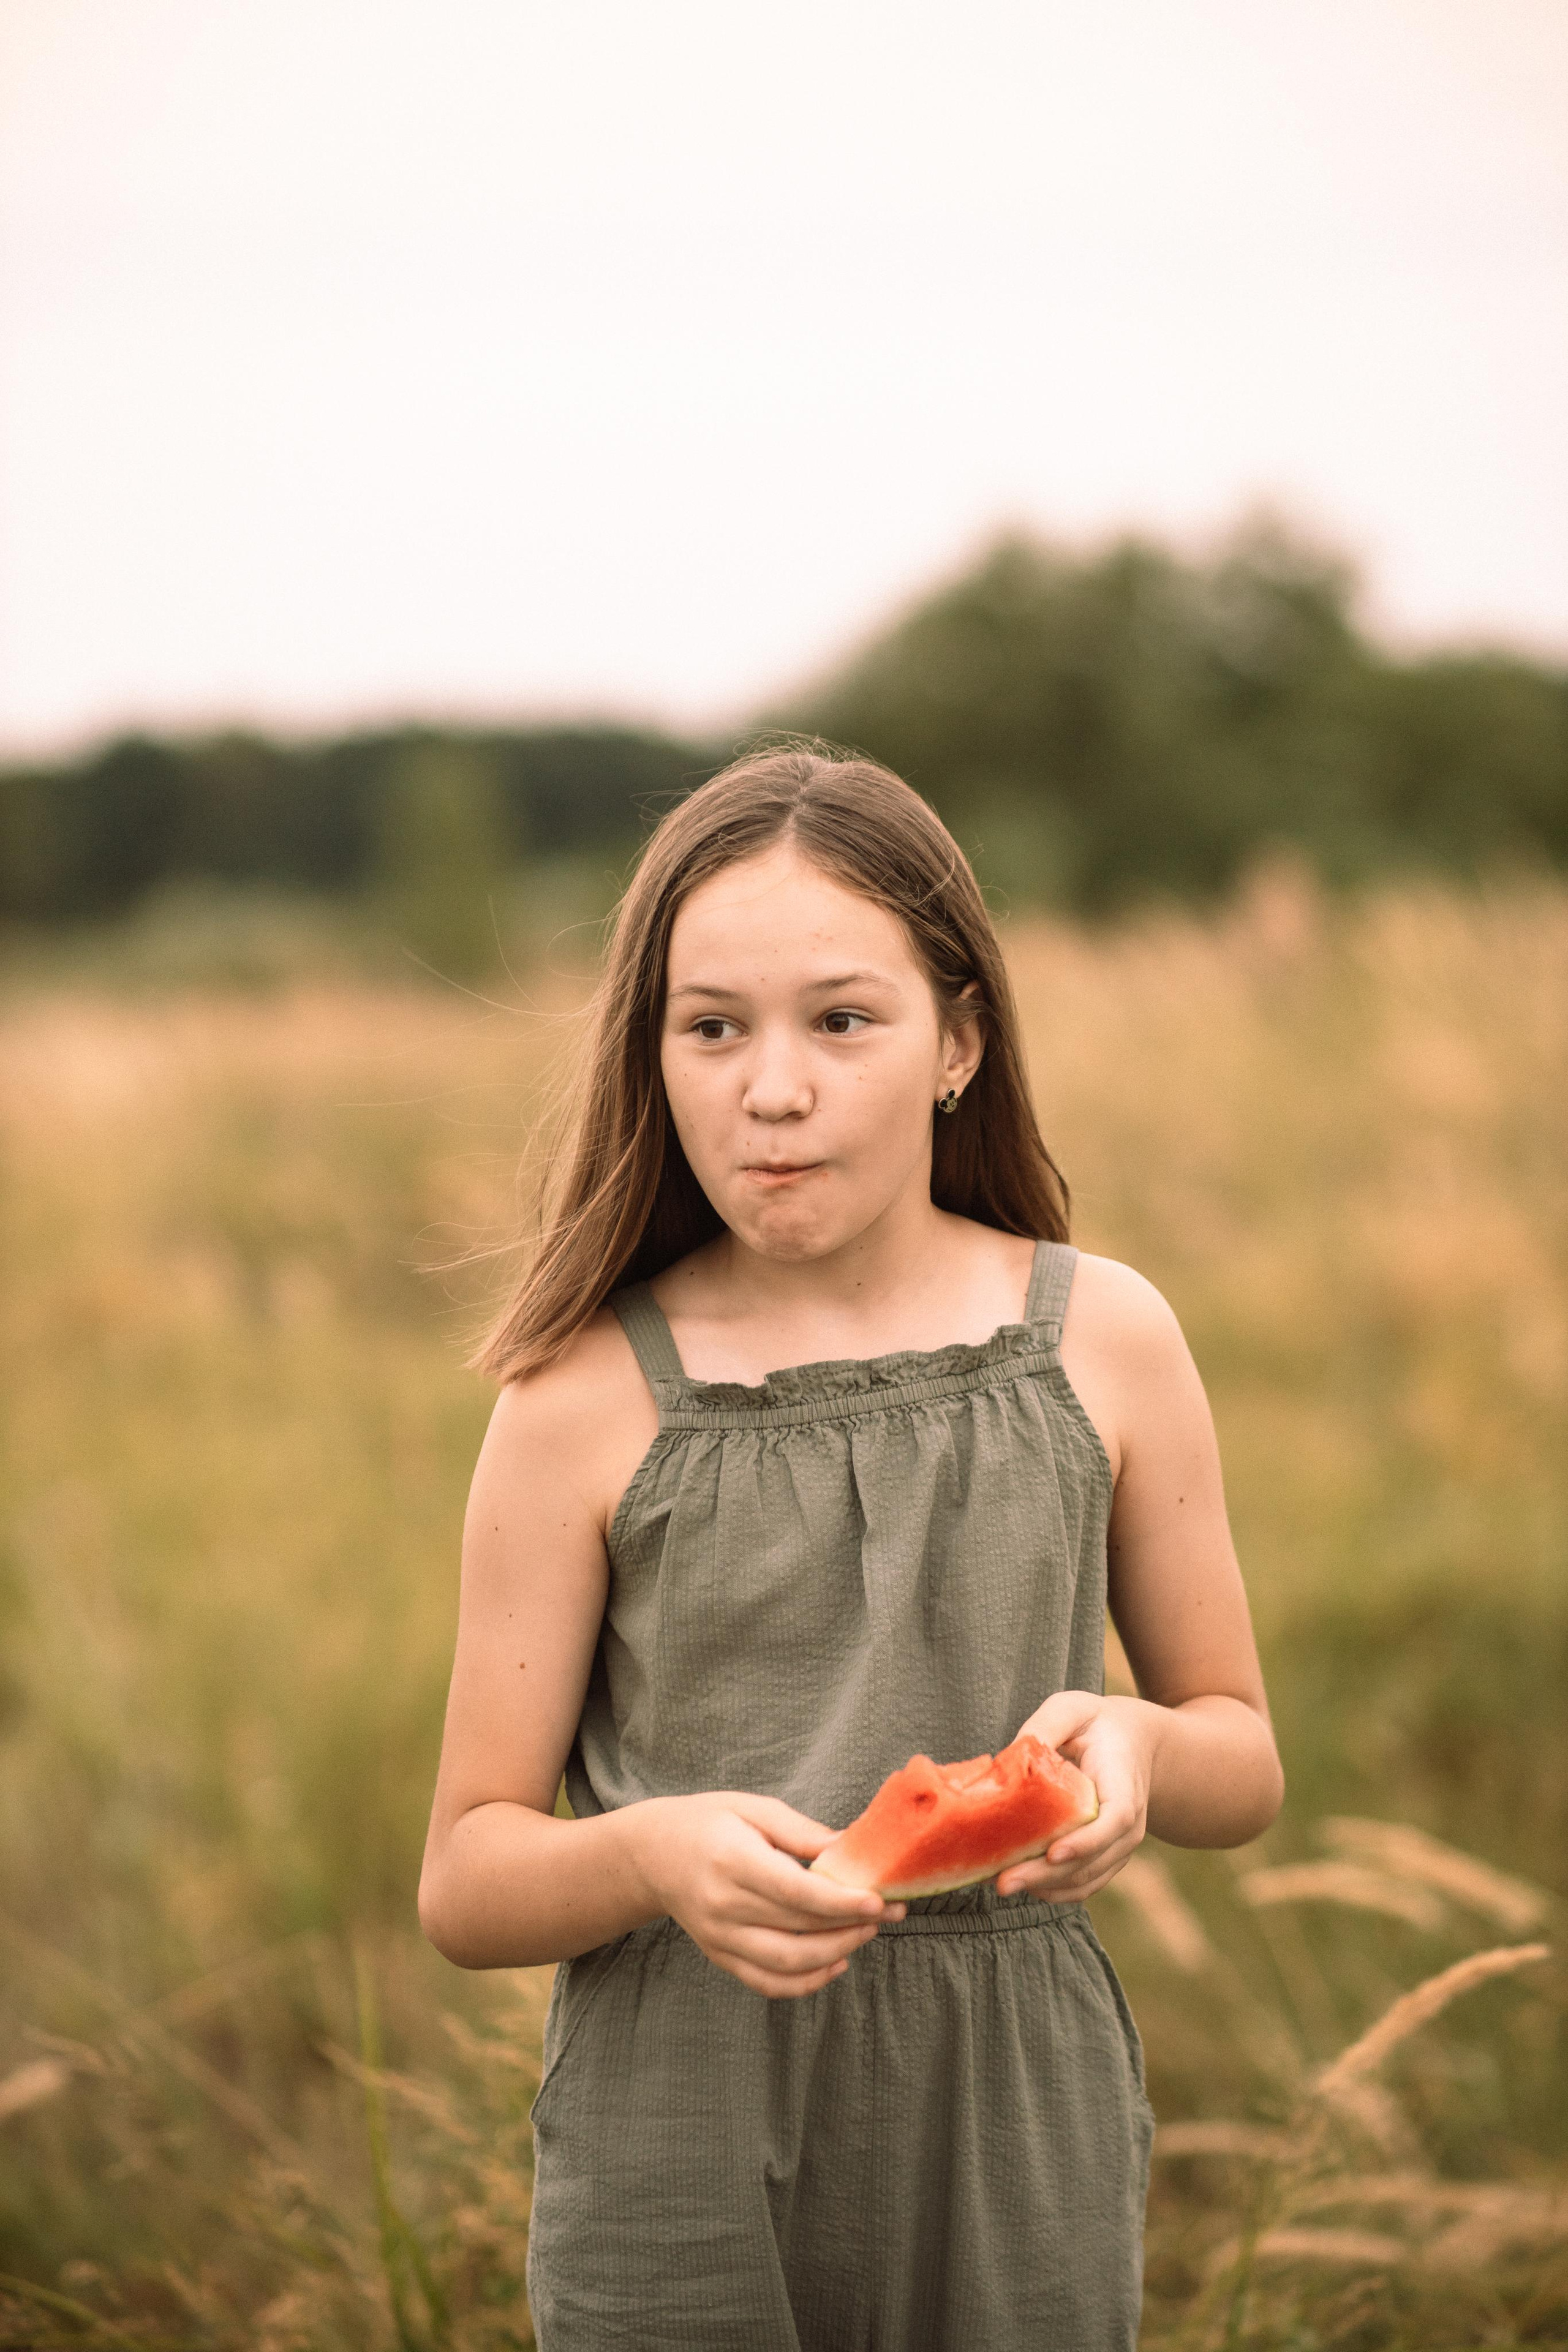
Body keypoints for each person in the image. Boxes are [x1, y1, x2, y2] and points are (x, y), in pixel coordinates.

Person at [418, 744, 1284, 2351]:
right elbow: (467, 1877)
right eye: (713, 1027)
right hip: (679, 2131)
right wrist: (648, 1860)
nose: (774, 1087)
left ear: (959, 1040)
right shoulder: (578, 1403)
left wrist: (1148, 1750)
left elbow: (1244, 1761)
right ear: (654, 1055)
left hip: (1016, 2121)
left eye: (843, 1019)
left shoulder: (1108, 1337)